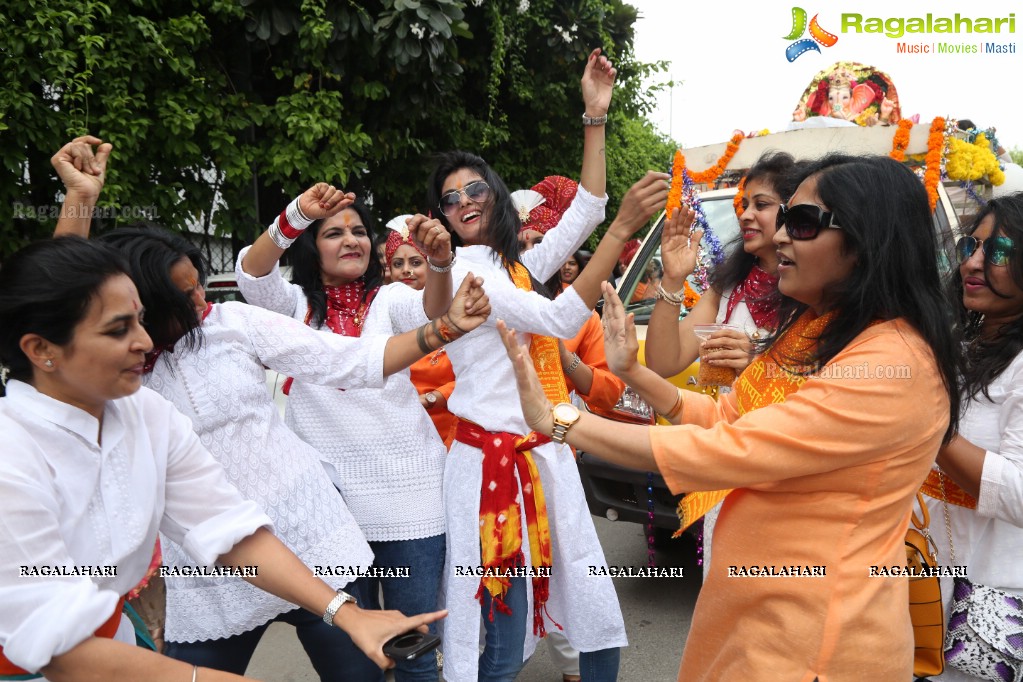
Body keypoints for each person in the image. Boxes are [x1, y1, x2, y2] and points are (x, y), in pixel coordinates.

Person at [499, 153, 964, 680]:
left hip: (814, 640)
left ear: (867, 241)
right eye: (781, 217)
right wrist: (631, 370)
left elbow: (732, 449)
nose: (781, 235)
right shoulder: (819, 327)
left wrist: (562, 421)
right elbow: (726, 416)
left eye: (800, 221)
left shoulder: (892, 362)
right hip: (760, 617)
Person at [48, 136, 487, 678]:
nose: (204, 304)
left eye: (201, 287)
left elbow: (347, 360)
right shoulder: (116, 376)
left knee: (371, 669)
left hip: (310, 540)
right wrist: (80, 200)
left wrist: (441, 327)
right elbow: (54, 309)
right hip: (209, 573)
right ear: (138, 309)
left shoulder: (231, 325)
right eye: (186, 299)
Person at [0, 236, 445, 681]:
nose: (142, 340)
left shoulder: (144, 412)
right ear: (40, 350)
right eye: (119, 329)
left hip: (120, 644)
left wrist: (345, 611)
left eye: (140, 321)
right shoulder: (12, 455)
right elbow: (62, 652)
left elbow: (225, 529)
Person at [418, 47, 671, 681]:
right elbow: (561, 321)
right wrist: (620, 232)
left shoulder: (513, 265)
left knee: (587, 593)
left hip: (546, 450)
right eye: (450, 199)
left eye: (475, 187)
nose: (465, 200)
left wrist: (595, 117)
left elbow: (585, 205)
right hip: (490, 468)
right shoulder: (472, 270)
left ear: (496, 196)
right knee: (498, 615)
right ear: (443, 219)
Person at [236, 186, 457, 682]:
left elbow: (435, 312)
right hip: (328, 506)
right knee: (351, 659)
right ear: (313, 249)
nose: (351, 240)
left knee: (414, 646)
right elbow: (252, 271)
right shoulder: (294, 309)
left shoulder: (391, 299)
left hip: (410, 497)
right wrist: (295, 216)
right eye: (334, 233)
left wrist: (439, 263)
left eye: (359, 231)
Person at [644, 152, 803, 575]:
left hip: (790, 469)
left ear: (795, 213)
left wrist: (757, 361)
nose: (747, 215)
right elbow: (663, 360)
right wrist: (673, 280)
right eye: (745, 205)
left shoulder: (817, 293)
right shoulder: (728, 287)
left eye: (761, 205)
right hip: (728, 457)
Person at [925, 193, 1023, 681]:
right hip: (924, 581)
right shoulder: (960, 347)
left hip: (988, 602)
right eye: (971, 245)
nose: (975, 263)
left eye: (1000, 251)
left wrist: (932, 428)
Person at [385, 217, 459, 448]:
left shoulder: (457, 311)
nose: (406, 270)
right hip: (399, 433)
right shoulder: (381, 315)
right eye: (398, 264)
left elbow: (477, 371)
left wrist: (431, 399)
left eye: (416, 262)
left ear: (432, 265)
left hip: (454, 430)